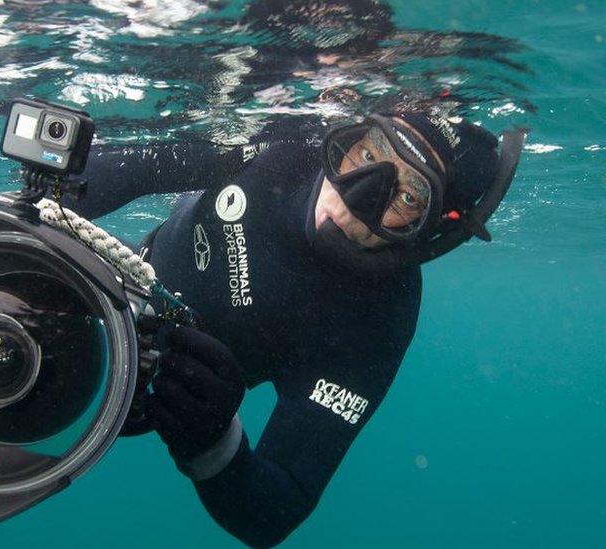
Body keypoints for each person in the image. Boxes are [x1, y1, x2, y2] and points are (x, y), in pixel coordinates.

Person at [59, 110, 524, 547]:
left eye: (407, 197)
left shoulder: (377, 319)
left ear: (435, 231)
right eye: (365, 153)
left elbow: (276, 509)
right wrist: (62, 189)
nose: (354, 195)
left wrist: (212, 441)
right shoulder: (285, 146)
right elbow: (105, 174)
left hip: (145, 394)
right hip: (121, 271)